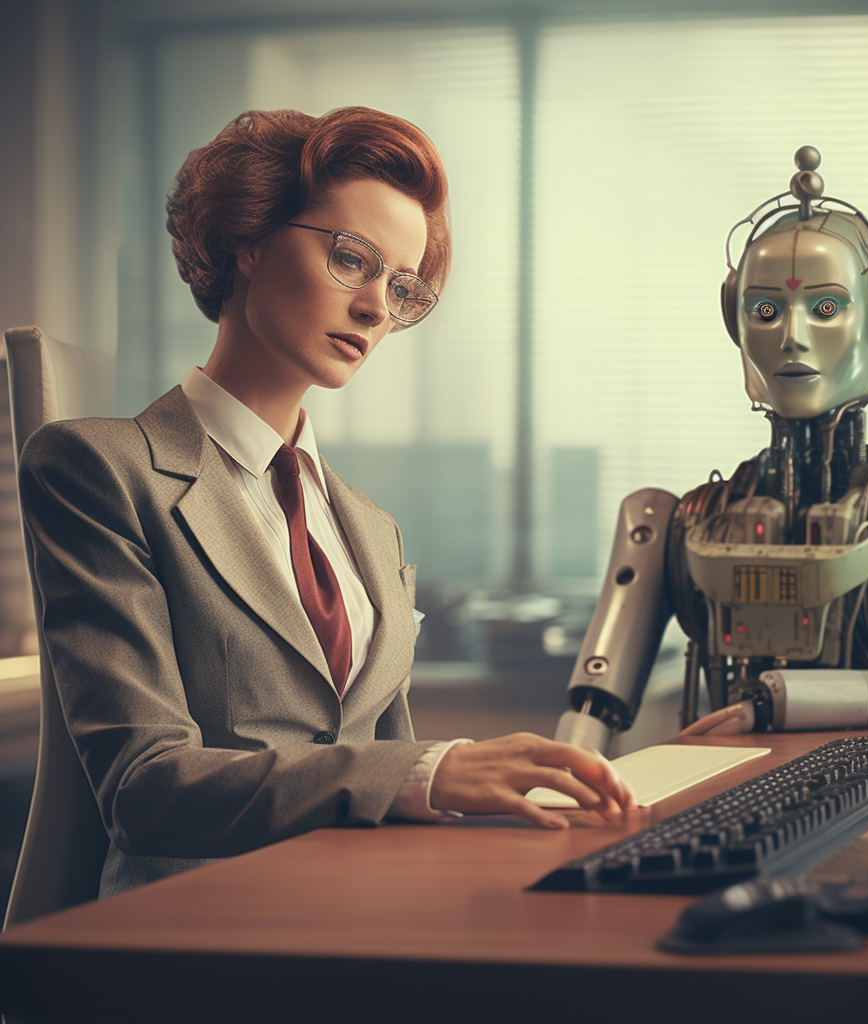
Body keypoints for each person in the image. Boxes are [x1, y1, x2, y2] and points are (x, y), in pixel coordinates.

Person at [18, 106, 635, 898]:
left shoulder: (372, 529)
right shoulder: (98, 468)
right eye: (353, 259)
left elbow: (386, 776)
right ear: (248, 238)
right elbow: (144, 788)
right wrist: (435, 769)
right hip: (195, 935)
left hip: (364, 915)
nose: (378, 309)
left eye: (401, 286)